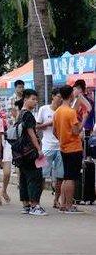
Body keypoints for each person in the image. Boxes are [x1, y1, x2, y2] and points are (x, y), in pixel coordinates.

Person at [54, 85, 85, 214]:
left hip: (63, 147)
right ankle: (69, 205)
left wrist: (62, 137)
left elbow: (55, 132)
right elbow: (76, 131)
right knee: (71, 177)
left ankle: (64, 204)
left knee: (66, 176)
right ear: (71, 95)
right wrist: (83, 121)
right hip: (74, 147)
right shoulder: (71, 112)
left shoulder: (58, 111)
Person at [15, 89, 46, 216]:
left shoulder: (19, 114)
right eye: (33, 99)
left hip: (21, 153)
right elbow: (32, 134)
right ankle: (34, 206)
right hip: (30, 152)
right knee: (35, 177)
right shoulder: (27, 115)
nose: (35, 101)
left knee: (24, 178)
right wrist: (39, 149)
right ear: (25, 99)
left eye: (35, 99)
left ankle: (26, 205)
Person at [36, 88, 64, 208]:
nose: (60, 99)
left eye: (62, 97)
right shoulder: (44, 109)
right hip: (47, 147)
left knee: (60, 176)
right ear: (53, 96)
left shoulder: (63, 110)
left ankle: (56, 200)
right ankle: (36, 201)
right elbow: (37, 127)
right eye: (58, 96)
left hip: (61, 147)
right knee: (41, 175)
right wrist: (49, 124)